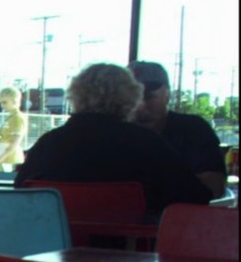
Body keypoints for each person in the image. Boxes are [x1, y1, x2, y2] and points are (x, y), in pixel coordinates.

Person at [14, 63, 212, 216]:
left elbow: (21, 194)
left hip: (54, 255)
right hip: (130, 257)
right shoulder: (147, 144)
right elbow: (197, 197)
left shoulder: (49, 143)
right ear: (131, 97)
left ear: (75, 95)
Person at [128, 61, 226, 198]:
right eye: (134, 96)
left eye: (149, 96)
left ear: (167, 94)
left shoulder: (193, 129)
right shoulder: (114, 133)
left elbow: (214, 186)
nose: (141, 104)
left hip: (179, 216)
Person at [0, 86, 27, 171]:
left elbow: (14, 143)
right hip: (3, 154)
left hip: (10, 158)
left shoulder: (18, 118)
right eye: (1, 103)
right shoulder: (10, 117)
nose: (2, 105)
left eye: (5, 103)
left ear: (15, 101)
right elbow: (6, 139)